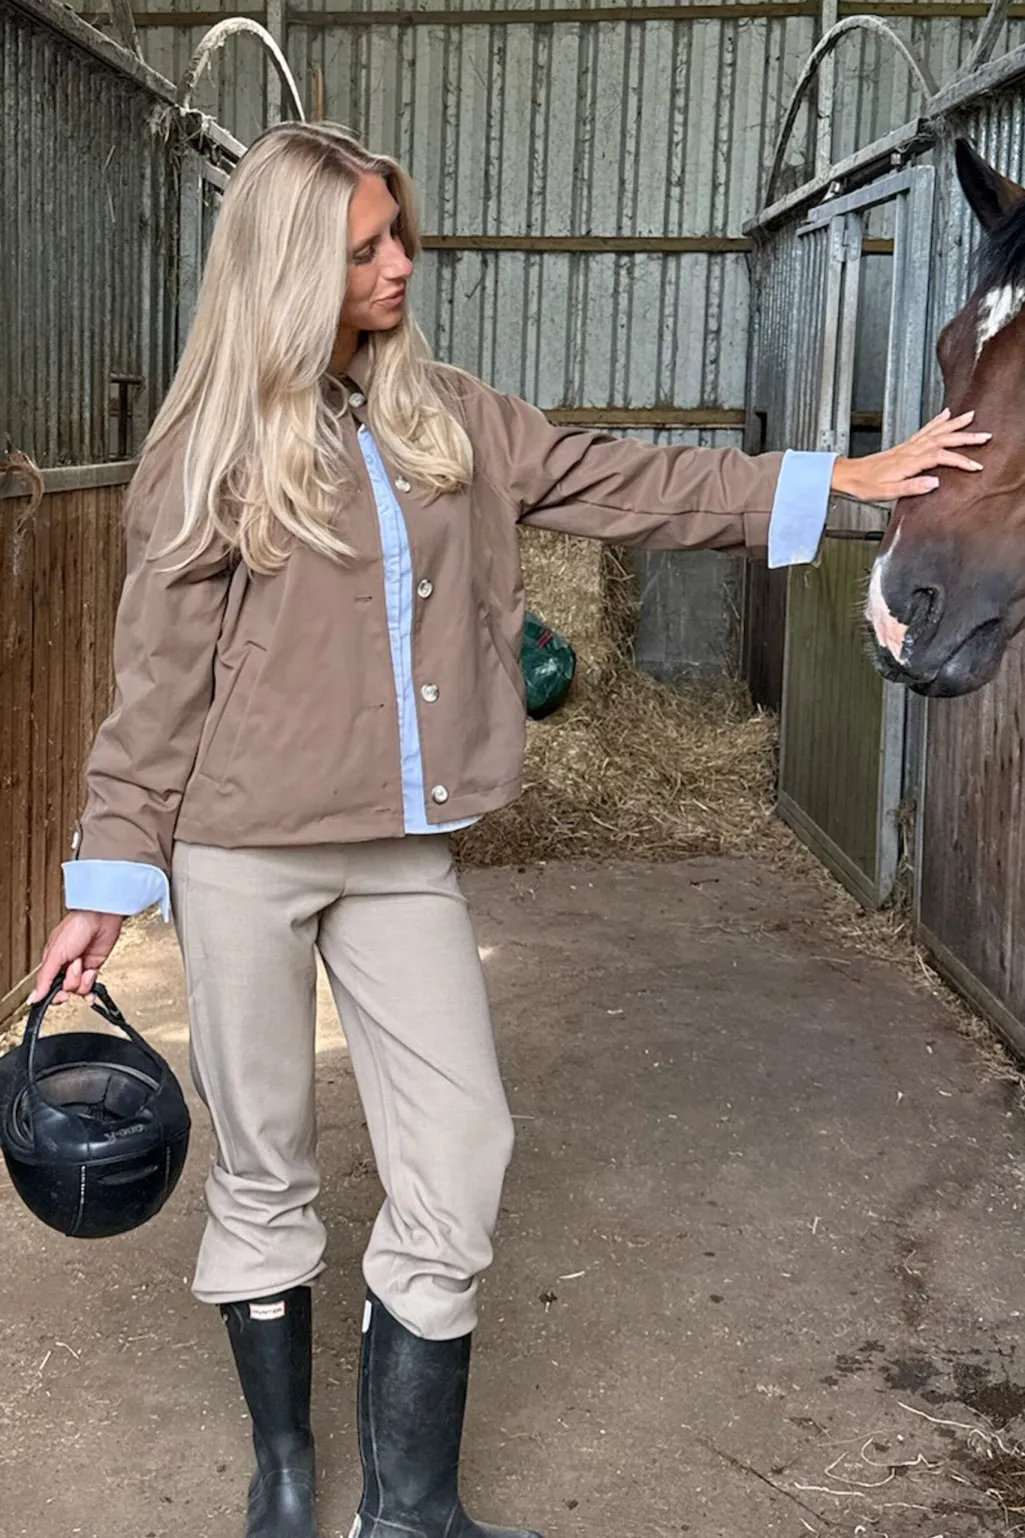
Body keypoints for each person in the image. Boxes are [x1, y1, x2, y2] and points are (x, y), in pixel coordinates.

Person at [31, 122, 988, 1538]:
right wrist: (104, 886)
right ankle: (285, 1475)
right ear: (289, 270)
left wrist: (831, 481)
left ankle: (411, 1508)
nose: (400, 265)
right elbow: (156, 689)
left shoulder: (455, 419)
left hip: (400, 854)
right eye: (363, 251)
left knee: (463, 1143)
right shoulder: (209, 453)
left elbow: (628, 481)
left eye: (398, 235)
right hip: (241, 850)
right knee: (266, 1160)